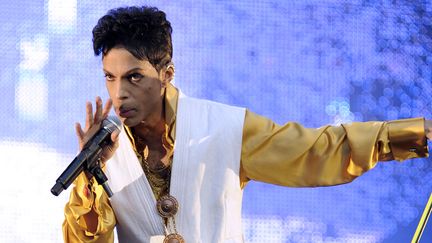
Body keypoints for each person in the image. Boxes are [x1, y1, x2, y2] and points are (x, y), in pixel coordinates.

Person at [62, 6, 432, 243]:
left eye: (134, 77)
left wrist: (415, 134)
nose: (120, 92)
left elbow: (318, 149)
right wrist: (90, 173)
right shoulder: (103, 151)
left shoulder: (223, 127)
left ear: (166, 74)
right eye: (110, 77)